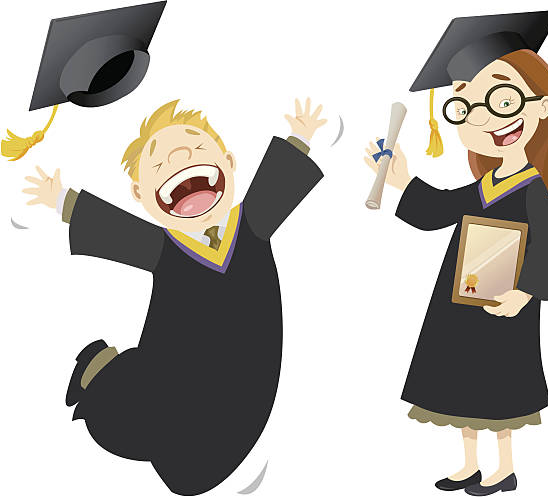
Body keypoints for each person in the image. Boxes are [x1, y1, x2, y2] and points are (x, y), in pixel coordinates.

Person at [23, 98, 327, 496]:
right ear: (141, 193)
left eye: (197, 148)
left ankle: (108, 379)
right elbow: (118, 230)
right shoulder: (164, 247)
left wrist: (300, 137)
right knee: (134, 412)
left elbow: (276, 181)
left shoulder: (250, 224)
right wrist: (61, 200)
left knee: (155, 412)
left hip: (243, 398)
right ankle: (111, 386)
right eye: (159, 163)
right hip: (180, 400)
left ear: (230, 165)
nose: (181, 156)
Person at [364, 10, 548, 496]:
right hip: (460, 302)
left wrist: (528, 292)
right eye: (467, 108)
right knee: (460, 382)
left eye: (500, 99)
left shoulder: (530, 187)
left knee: (499, 389)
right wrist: (402, 180)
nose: (485, 118)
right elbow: (438, 211)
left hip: (504, 306)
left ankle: (505, 467)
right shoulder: (484, 185)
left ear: (539, 107)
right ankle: (469, 464)